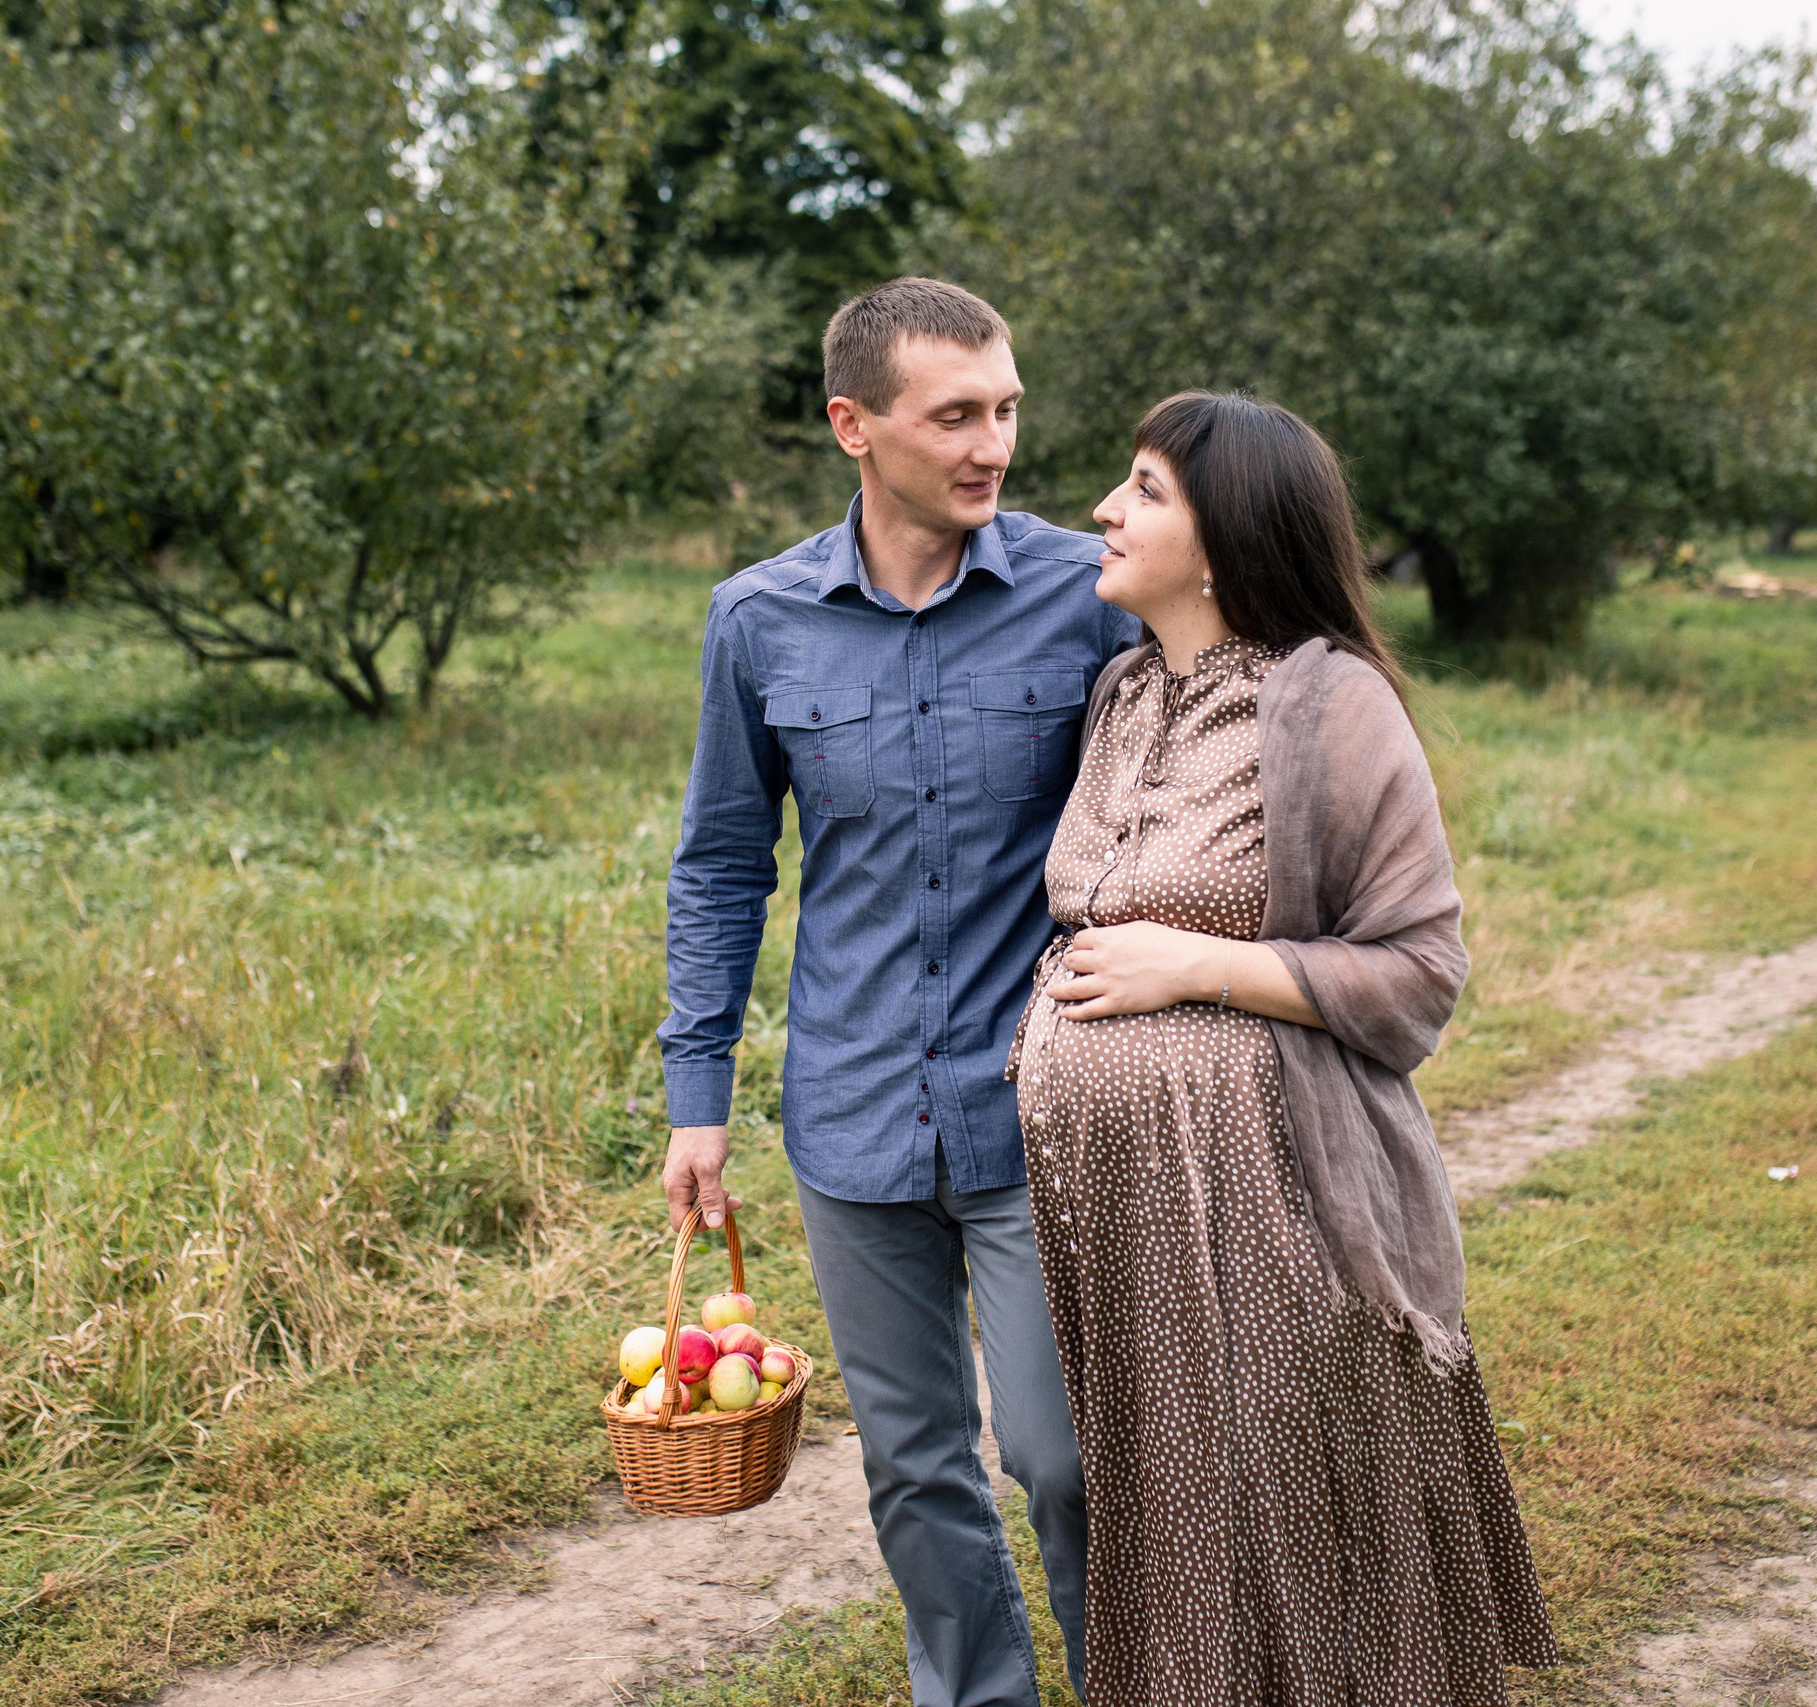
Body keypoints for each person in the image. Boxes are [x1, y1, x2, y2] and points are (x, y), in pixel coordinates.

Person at [1007, 392, 1560, 1704]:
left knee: (1285, 1529)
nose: (1105, 508)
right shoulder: (1121, 691)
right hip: (1120, 1220)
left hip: (1268, 1213)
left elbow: (1421, 975)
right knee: (1171, 1524)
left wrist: (1200, 965)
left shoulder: (1332, 708)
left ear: (1223, 538)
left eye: (1144, 488)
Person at [657, 277, 1141, 1707]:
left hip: (1037, 1104)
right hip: (852, 1119)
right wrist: (700, 1100)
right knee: (915, 1467)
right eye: (955, 417)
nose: (991, 444)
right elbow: (723, 862)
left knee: (1062, 1457)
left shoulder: (1084, 591)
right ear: (854, 426)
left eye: (1005, 410)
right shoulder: (758, 622)